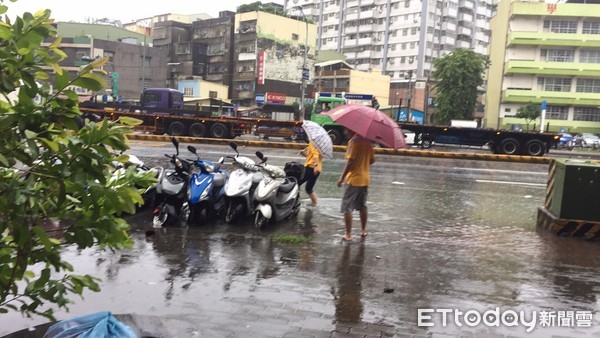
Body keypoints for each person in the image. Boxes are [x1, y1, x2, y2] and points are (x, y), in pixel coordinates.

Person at [337, 128, 375, 241]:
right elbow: (373, 160)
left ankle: (348, 234)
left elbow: (350, 162)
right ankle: (363, 231)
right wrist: (363, 164)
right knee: (362, 205)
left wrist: (341, 178)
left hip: (353, 180)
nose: (345, 132)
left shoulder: (353, 142)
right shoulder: (368, 142)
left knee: (347, 207)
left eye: (346, 130)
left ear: (351, 130)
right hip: (365, 179)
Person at [299, 141, 323, 206]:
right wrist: (303, 154)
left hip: (311, 168)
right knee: (309, 188)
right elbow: (311, 156)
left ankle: (294, 201)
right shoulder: (321, 144)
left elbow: (315, 155)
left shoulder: (313, 142)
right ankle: (314, 204)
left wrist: (315, 166)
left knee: (297, 183)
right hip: (318, 169)